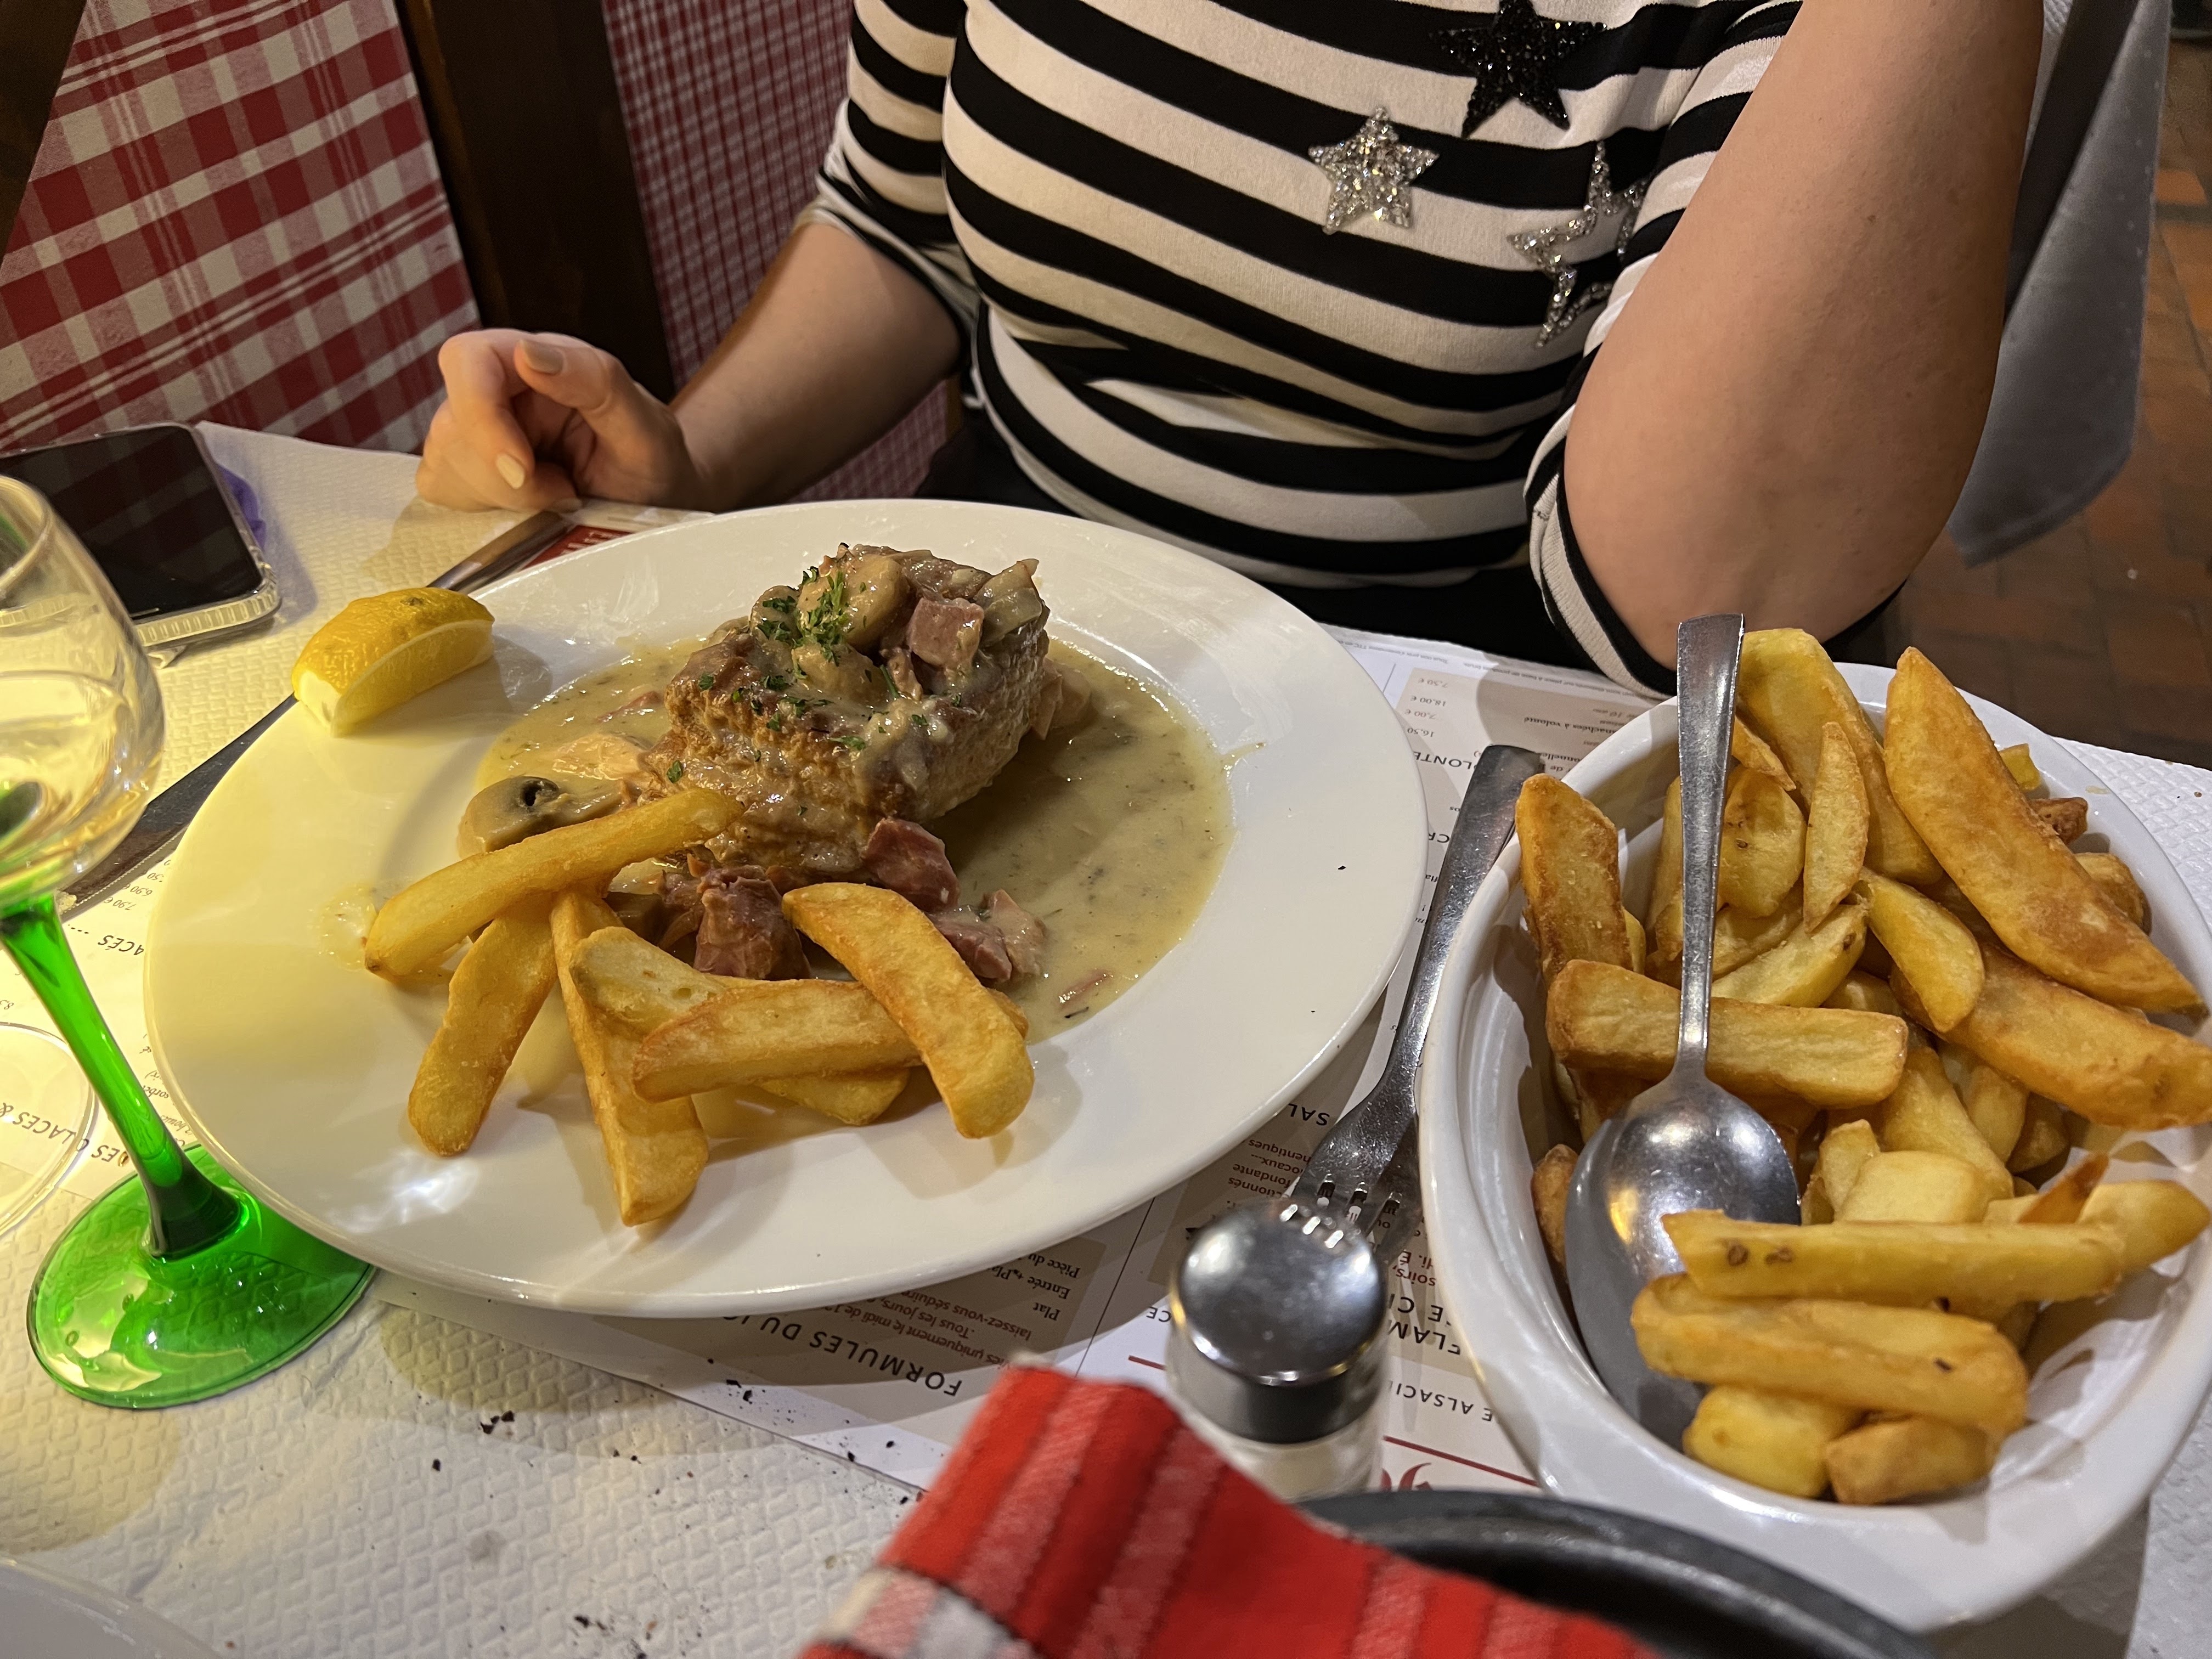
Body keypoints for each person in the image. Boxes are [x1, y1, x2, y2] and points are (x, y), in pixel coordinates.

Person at [415, 0, 2044, 695]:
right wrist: (688, 462)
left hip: (1438, 699)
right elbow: (902, 223)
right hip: (979, 629)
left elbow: (1684, 606)